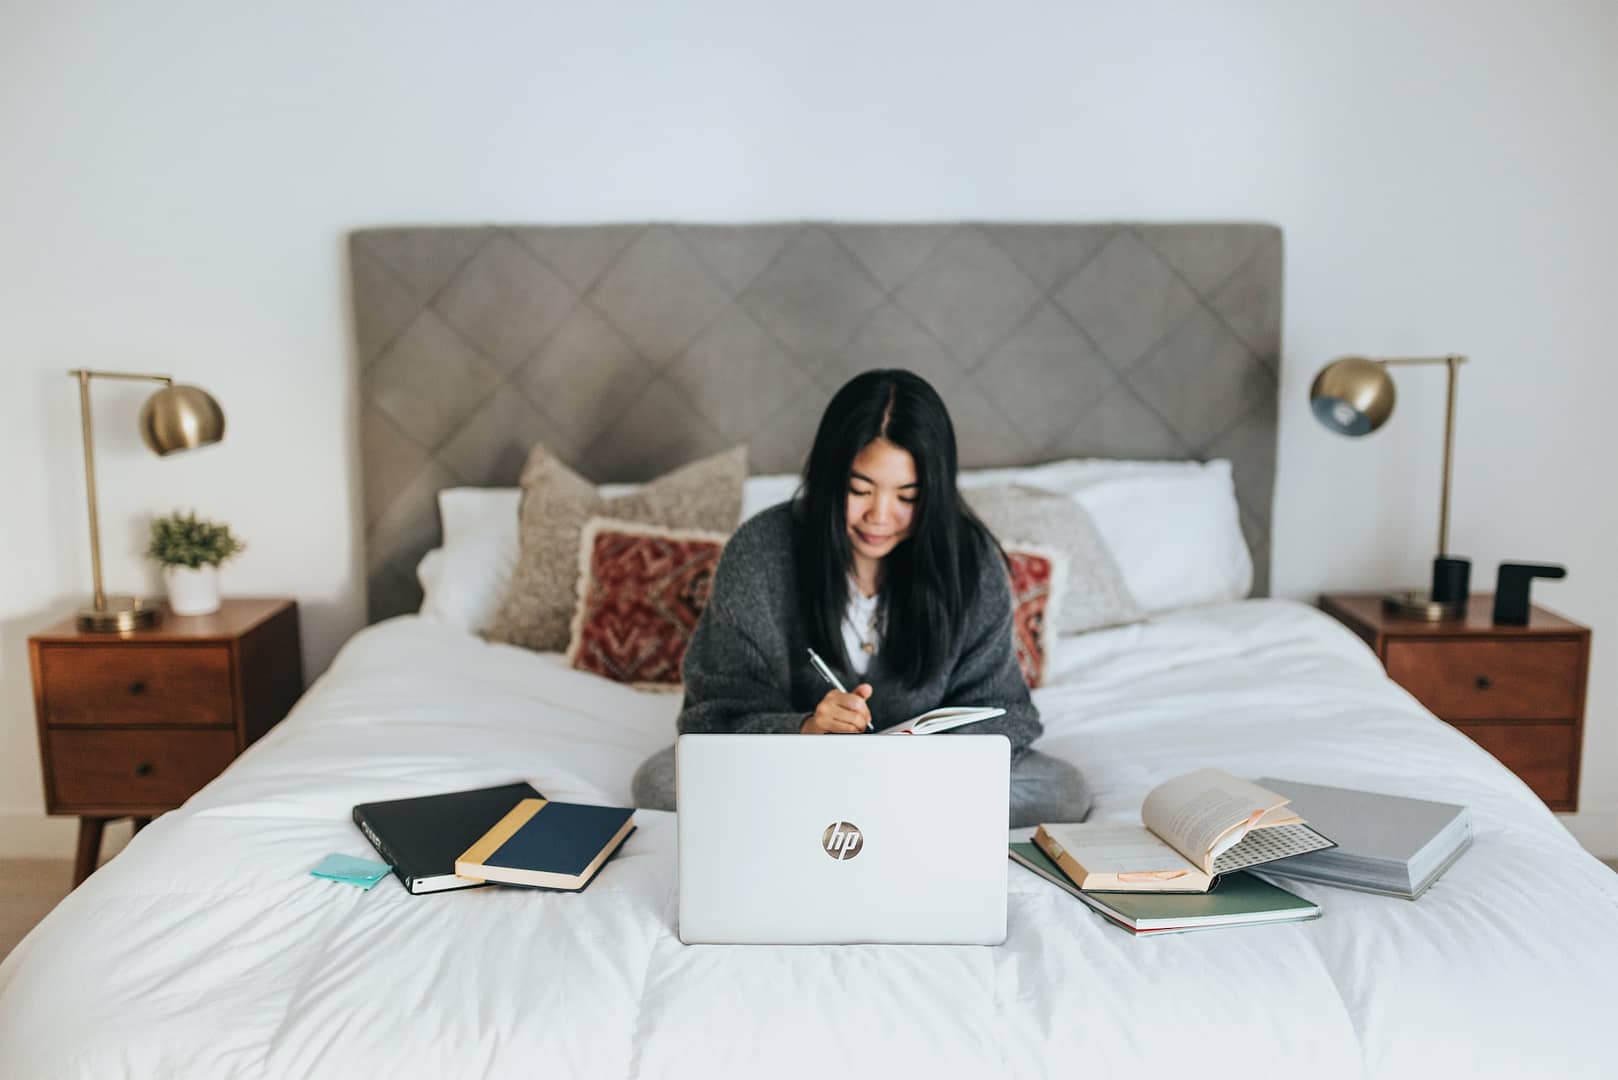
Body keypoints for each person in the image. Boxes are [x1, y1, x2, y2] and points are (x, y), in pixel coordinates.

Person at [631, 369, 1091, 828]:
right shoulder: (760, 551)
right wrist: (805, 729)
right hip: (794, 767)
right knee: (660, 783)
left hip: (922, 777)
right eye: (859, 490)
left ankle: (836, 820)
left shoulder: (969, 562)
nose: (880, 516)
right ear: (828, 477)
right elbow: (713, 717)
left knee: (1063, 791)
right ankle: (885, 821)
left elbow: (1006, 711)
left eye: (908, 496)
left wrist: (920, 756)